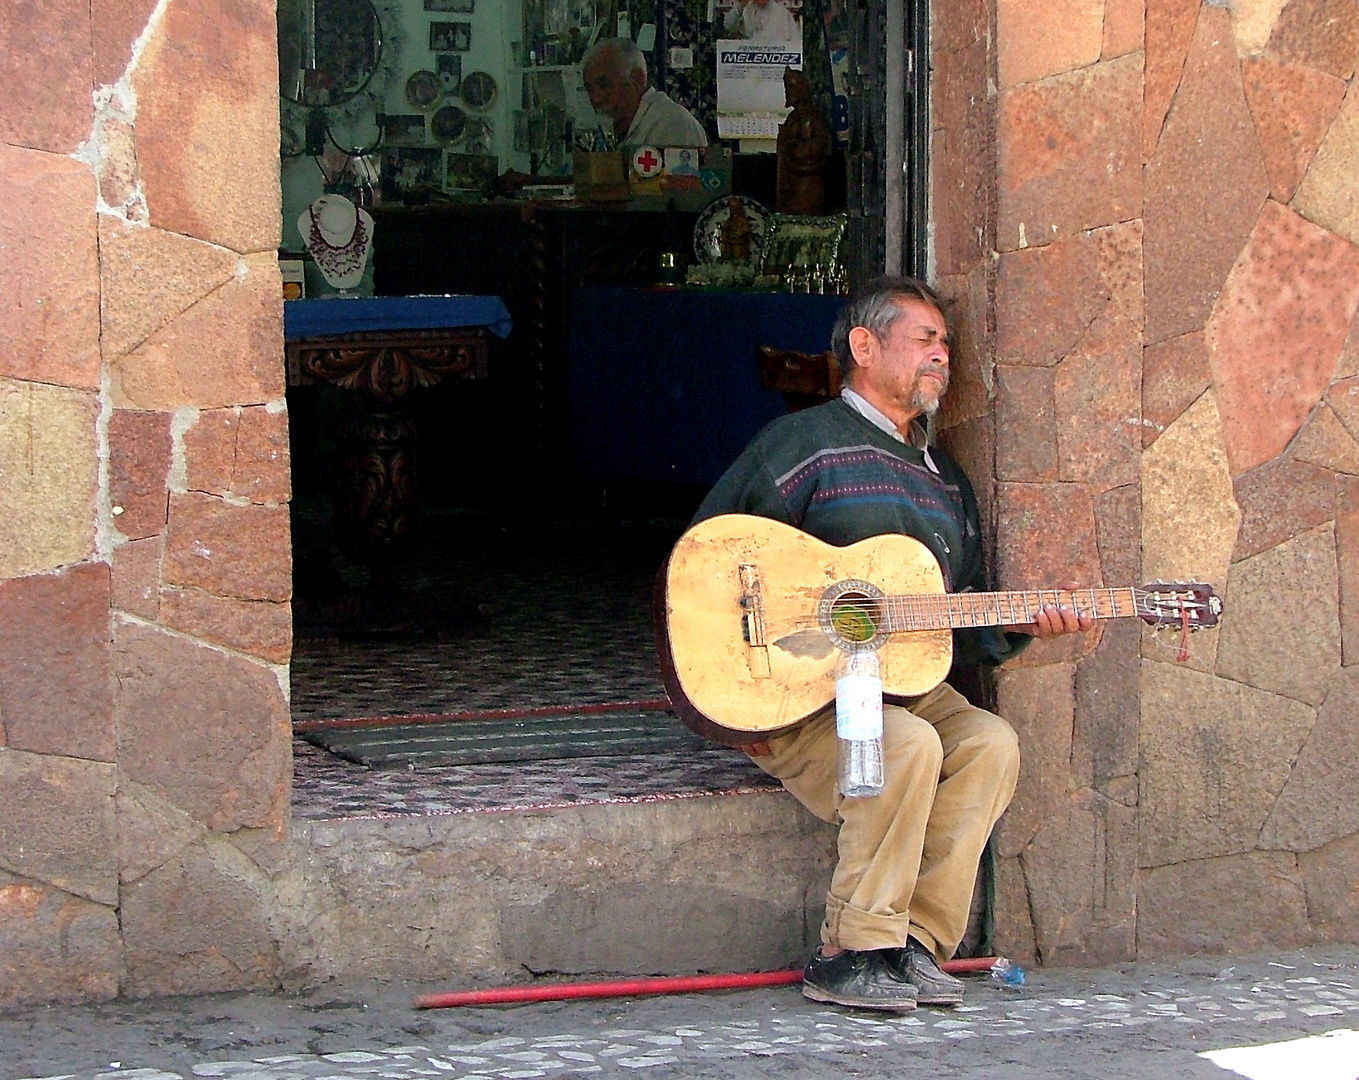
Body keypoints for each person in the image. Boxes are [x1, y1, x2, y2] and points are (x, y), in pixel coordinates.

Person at [689, 277, 1092, 1012]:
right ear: (863, 348)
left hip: (901, 683)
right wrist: (743, 679)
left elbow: (953, 624)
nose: (943, 354)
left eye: (947, 344)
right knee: (904, 743)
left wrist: (1020, 623)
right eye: (925, 339)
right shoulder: (800, 444)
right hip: (795, 693)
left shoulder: (946, 483)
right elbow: (704, 559)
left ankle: (912, 945)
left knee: (988, 742)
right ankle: (852, 950)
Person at [582, 38, 708, 149]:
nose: (595, 98)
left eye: (605, 85)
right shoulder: (617, 131)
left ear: (637, 79)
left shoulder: (672, 126)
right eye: (589, 89)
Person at [723, 0, 801, 42]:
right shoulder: (745, 10)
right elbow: (729, 26)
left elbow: (796, 41)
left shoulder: (782, 13)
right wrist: (741, 6)